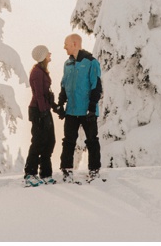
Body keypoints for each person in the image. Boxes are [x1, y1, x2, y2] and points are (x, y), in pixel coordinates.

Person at [57, 33, 102, 182]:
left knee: (91, 140)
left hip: (87, 110)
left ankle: (94, 170)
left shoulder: (91, 62)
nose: (64, 47)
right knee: (68, 141)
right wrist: (60, 103)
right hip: (71, 110)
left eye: (66, 43)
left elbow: (96, 86)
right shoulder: (67, 64)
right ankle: (66, 170)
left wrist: (91, 108)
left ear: (75, 44)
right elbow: (64, 85)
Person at [24, 45, 56, 186]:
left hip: (43, 110)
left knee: (50, 141)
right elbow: (38, 94)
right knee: (38, 141)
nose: (50, 54)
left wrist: (53, 107)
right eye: (47, 52)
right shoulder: (37, 72)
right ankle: (30, 173)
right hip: (38, 111)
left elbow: (45, 94)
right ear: (43, 56)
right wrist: (43, 113)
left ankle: (45, 173)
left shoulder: (42, 71)